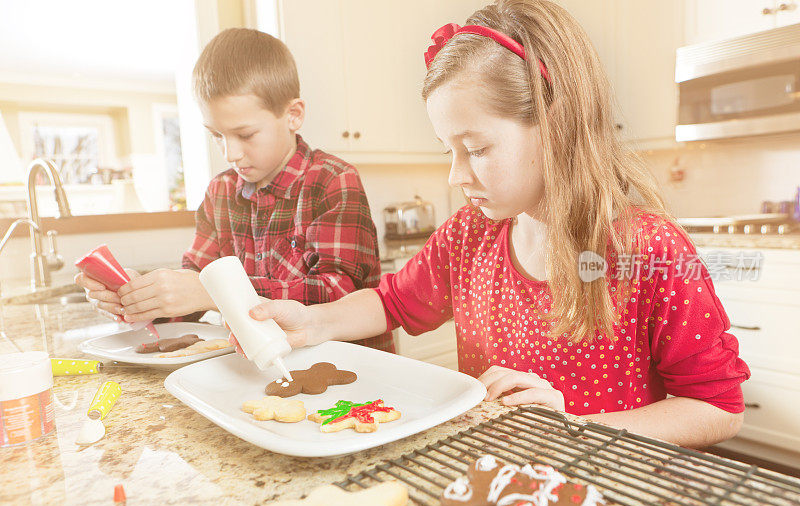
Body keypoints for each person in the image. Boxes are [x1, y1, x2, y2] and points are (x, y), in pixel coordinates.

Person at [233, 0, 750, 448]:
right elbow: (391, 303)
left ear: (557, 125)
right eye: (449, 150)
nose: (457, 175)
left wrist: (573, 426)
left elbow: (717, 409)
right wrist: (313, 322)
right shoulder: (468, 235)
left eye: (476, 148)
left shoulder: (646, 250)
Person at [75, 28, 393, 352]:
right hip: (270, 371)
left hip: (353, 371)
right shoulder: (220, 193)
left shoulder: (333, 181)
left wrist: (214, 293)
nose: (229, 153)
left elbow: (338, 294)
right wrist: (144, 296)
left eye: (246, 134)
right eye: (216, 134)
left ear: (293, 115)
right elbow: (194, 292)